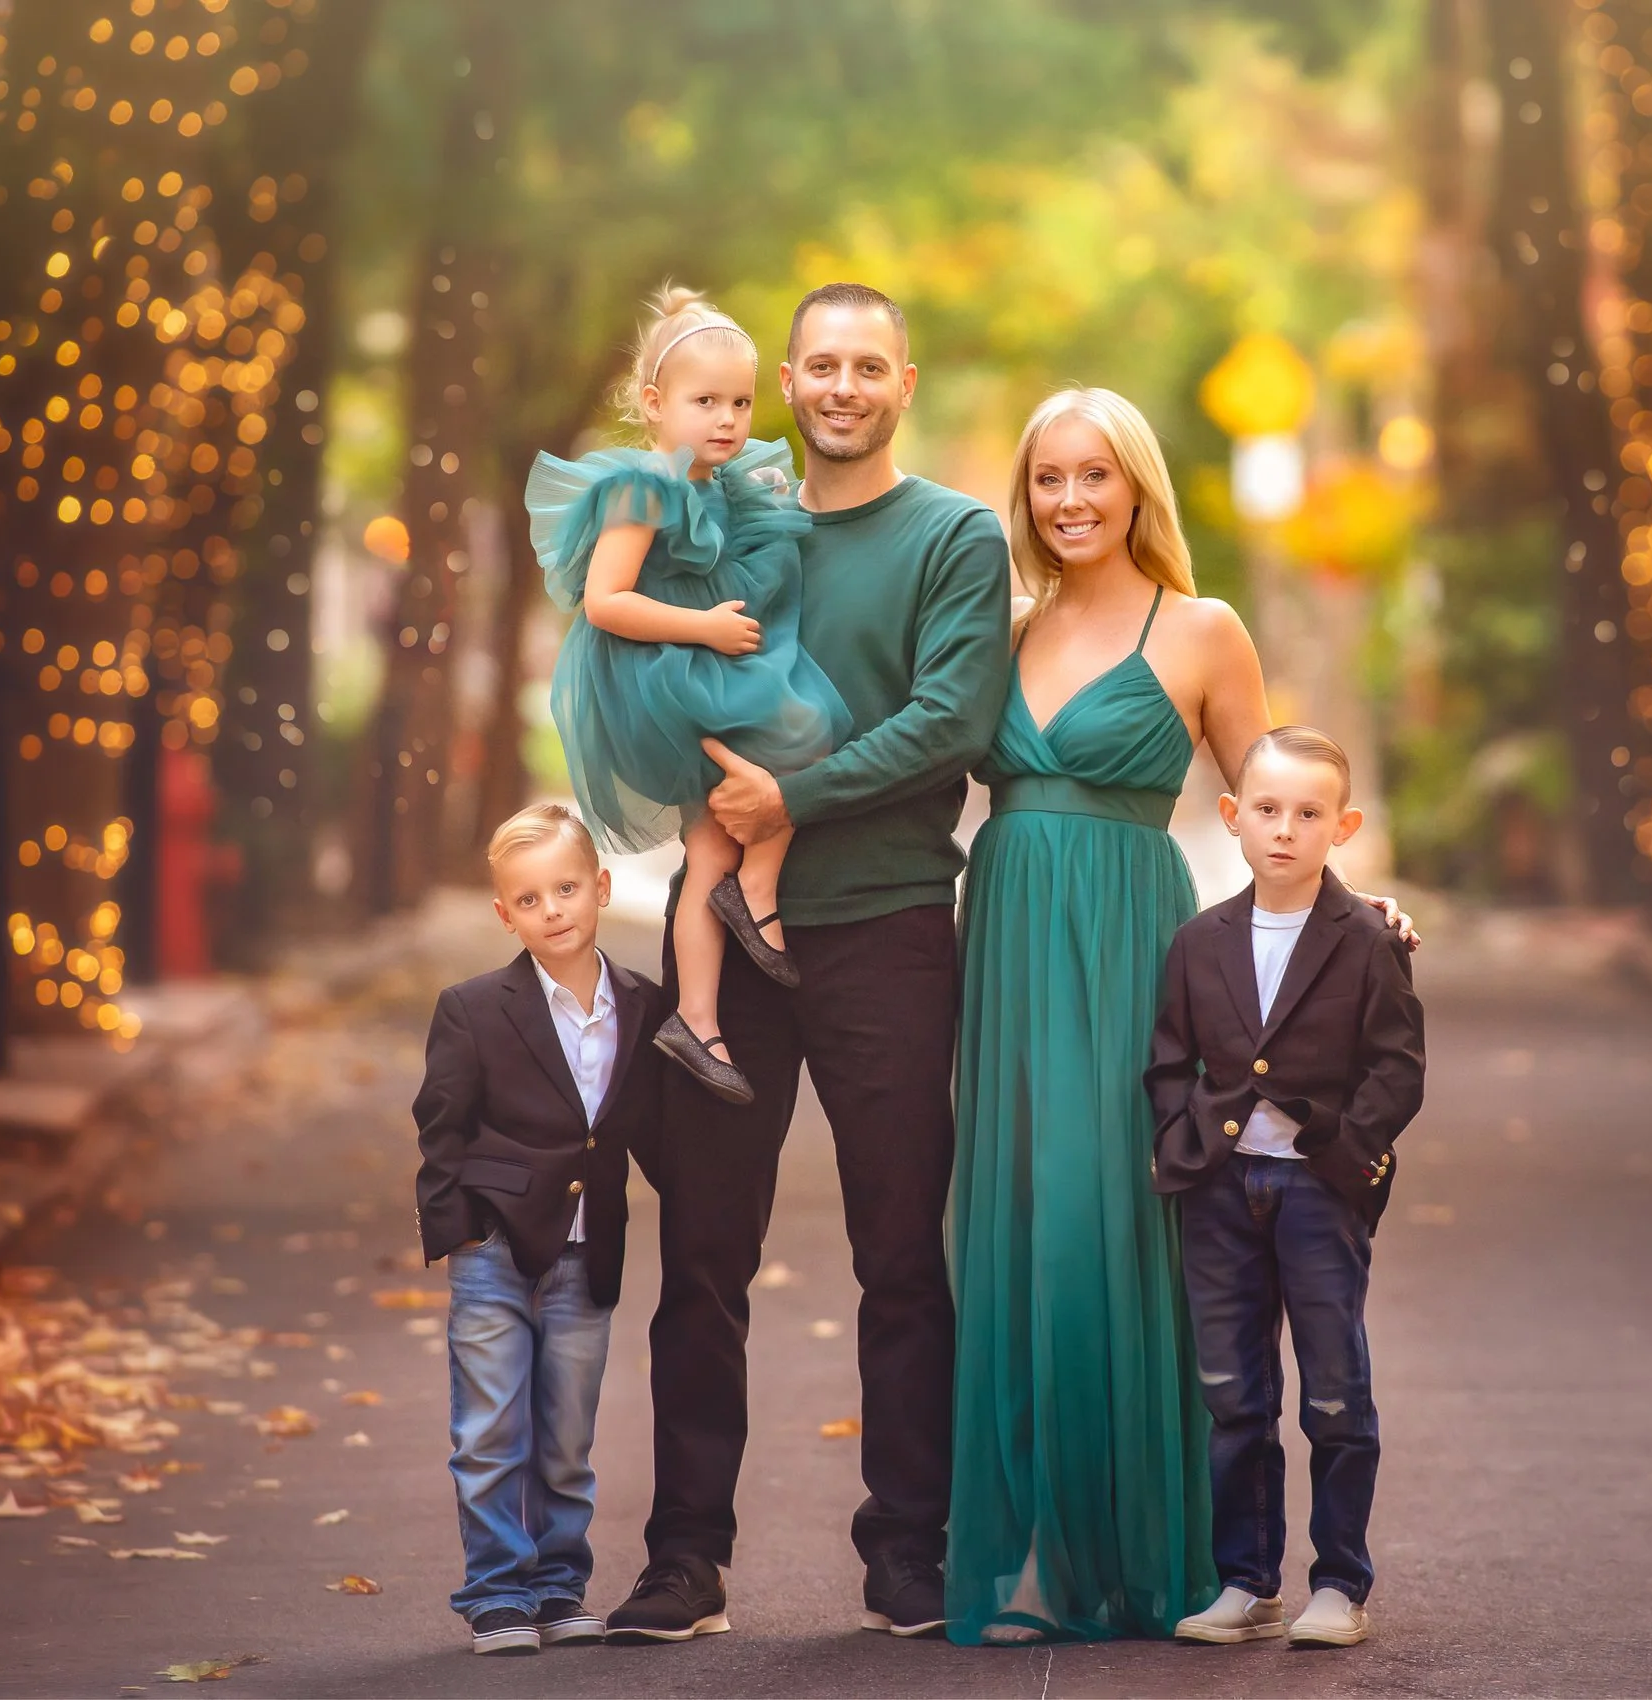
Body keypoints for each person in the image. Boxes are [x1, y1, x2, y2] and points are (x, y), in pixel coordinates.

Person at [603, 283, 1012, 1645]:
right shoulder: (728, 512)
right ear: (786, 377)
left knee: (902, 1249)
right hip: (722, 929)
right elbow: (649, 667)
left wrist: (794, 803)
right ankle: (682, 1559)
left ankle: (908, 1549)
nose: (841, 386)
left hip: (888, 928)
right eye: (819, 365)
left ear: (907, 378)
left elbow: (952, 719)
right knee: (704, 1255)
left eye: (867, 366)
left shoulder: (953, 535)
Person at [943, 386, 1278, 1644]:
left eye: (1094, 475)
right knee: (1020, 1221)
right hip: (1012, 941)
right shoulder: (1001, 627)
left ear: (1137, 485)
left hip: (1136, 945)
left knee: (1109, 1215)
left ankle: (1145, 1546)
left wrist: (1354, 911)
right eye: (1047, 479)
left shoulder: (1200, 628)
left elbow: (1267, 796)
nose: (1070, 499)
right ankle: (1032, 1553)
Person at [523, 286, 851, 1107]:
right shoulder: (642, 485)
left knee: (708, 850)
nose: (729, 420)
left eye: (741, 401)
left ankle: (696, 1021)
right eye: (706, 402)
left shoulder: (730, 483)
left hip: (698, 661)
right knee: (811, 726)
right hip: (664, 668)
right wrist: (702, 629)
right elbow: (604, 600)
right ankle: (761, 890)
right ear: (653, 403)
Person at [1149, 727, 1426, 1651]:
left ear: (1340, 827)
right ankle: (1247, 1581)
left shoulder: (1369, 938)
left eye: (1309, 814)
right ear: (1232, 818)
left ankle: (1340, 1584)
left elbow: (1398, 1066)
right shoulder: (1198, 941)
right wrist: (1177, 1143)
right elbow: (1167, 1061)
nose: (1284, 830)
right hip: (1221, 1193)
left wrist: (1349, 1150)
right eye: (1266, 809)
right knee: (1233, 1393)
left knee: (1336, 1394)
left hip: (1319, 1193)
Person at [410, 803, 666, 1656]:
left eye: (565, 889)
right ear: (504, 915)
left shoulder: (642, 1002)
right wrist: (458, 1233)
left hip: (587, 1255)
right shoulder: (475, 1008)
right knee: (488, 1433)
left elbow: (648, 1126)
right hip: (495, 1252)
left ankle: (559, 1587)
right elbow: (442, 1125)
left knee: (566, 1436)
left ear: (600, 888)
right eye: (529, 899)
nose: (551, 909)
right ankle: (495, 1594)